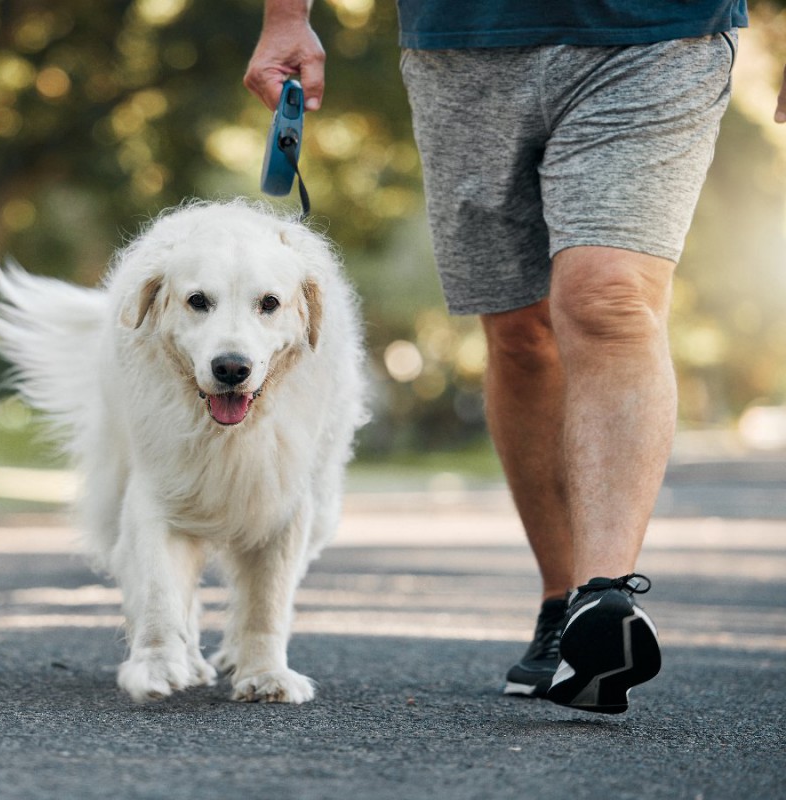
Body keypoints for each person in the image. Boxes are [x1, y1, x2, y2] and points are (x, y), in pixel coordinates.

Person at [246, 1, 785, 713]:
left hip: (657, 34)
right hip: (463, 44)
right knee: (518, 332)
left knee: (609, 298)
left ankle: (605, 599)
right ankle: (563, 602)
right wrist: (287, 17)